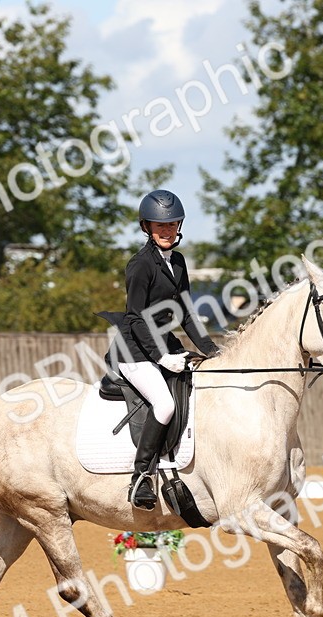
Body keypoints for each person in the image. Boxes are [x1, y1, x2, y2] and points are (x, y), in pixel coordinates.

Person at [115, 189, 220, 510]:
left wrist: (213, 351)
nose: (167, 231)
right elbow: (135, 318)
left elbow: (186, 313)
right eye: (160, 225)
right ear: (146, 227)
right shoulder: (140, 265)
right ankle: (141, 477)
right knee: (164, 404)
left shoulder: (178, 261)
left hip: (167, 345)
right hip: (135, 351)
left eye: (172, 224)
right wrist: (161, 358)